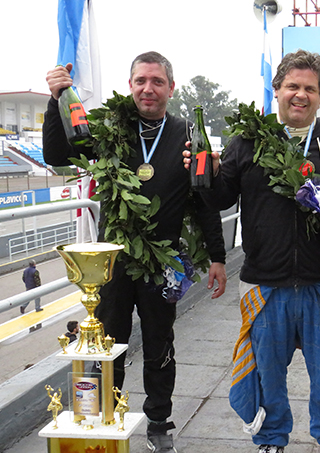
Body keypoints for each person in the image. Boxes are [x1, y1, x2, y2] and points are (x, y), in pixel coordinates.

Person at [186, 50, 320, 453]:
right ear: (276, 90)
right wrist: (204, 175)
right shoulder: (246, 142)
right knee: (264, 374)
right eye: (292, 87)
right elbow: (221, 198)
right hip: (265, 283)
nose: (301, 95)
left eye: (310, 89)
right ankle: (270, 439)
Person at [43, 51, 228, 453]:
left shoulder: (185, 134)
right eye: (141, 80)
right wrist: (55, 98)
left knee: (160, 345)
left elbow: (204, 199)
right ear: (130, 85)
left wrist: (217, 257)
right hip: (112, 264)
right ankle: (103, 419)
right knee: (107, 343)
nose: (148, 88)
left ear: (170, 88)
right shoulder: (112, 129)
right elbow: (58, 157)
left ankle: (159, 424)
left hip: (161, 263)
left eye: (157, 81)